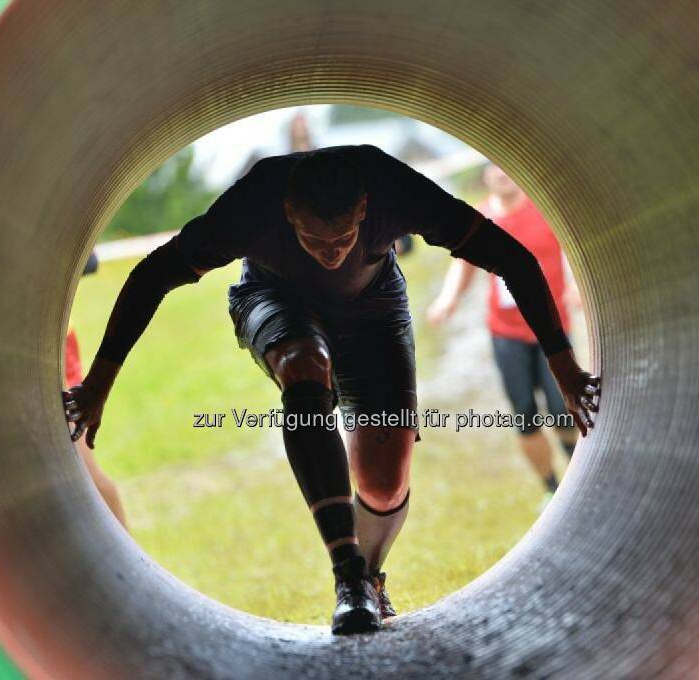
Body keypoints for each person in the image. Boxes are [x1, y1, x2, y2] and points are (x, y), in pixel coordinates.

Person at [62, 145, 600, 635]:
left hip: (374, 305)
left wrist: (565, 369)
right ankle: (347, 578)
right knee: (303, 365)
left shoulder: (394, 188)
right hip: (273, 297)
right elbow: (151, 276)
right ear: (288, 212)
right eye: (314, 240)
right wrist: (98, 386)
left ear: (365, 209)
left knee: (385, 481)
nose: (331, 252)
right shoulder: (254, 203)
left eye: (343, 238)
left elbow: (514, 258)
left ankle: (368, 575)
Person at [427, 164, 581, 508]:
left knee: (562, 408)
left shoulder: (544, 209)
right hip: (506, 333)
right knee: (524, 414)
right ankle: (552, 489)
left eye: (507, 169)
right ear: (486, 178)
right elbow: (462, 264)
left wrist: (577, 285)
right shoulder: (481, 217)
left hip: (551, 330)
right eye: (494, 170)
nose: (502, 175)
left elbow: (576, 247)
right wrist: (448, 300)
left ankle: (577, 468)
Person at [65, 253, 129, 530]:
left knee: (86, 473)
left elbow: (89, 261)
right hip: (54, 343)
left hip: (57, 347)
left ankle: (130, 561)